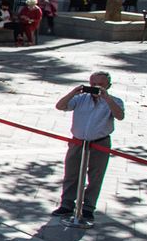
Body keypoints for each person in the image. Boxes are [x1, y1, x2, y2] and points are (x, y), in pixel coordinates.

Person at [52, 72, 124, 223]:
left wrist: (107, 98)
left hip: (100, 142)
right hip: (78, 141)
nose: (96, 87)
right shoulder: (80, 99)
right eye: (93, 84)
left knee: (95, 176)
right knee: (71, 173)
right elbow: (60, 106)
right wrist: (73, 92)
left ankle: (88, 208)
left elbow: (120, 116)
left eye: (101, 84)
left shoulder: (115, 101)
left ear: (108, 86)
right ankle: (66, 204)